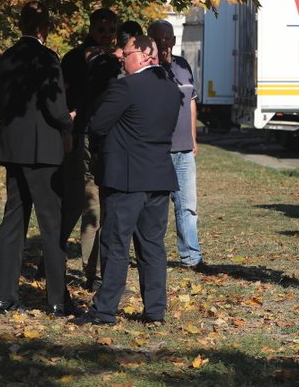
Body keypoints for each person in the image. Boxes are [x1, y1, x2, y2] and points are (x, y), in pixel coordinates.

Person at [72, 35, 181, 325]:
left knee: (115, 244)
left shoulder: (126, 87)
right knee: (152, 246)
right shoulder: (171, 89)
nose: (121, 57)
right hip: (158, 176)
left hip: (126, 179)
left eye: (127, 53)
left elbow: (97, 125)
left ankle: (104, 310)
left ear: (145, 54)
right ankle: (155, 310)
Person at [0, 0, 80, 316]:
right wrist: (69, 120)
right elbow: (55, 107)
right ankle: (56, 300)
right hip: (43, 152)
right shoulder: (47, 58)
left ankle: (2, 297)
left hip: (13, 148)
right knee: (51, 226)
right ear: (45, 28)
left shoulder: (7, 58)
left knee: (13, 220)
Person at [59, 7, 118, 291]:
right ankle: (90, 274)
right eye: (100, 29)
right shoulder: (74, 58)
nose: (105, 35)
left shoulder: (117, 61)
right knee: (88, 204)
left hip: (109, 140)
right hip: (83, 136)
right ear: (91, 28)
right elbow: (61, 92)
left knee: (105, 208)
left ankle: (99, 271)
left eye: (110, 30)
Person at [147, 19, 210, 274]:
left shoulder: (183, 66)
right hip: (158, 150)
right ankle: (152, 256)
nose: (164, 43)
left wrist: (194, 137)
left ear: (174, 40)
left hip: (184, 150)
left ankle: (191, 258)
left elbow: (192, 102)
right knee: (155, 209)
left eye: (167, 38)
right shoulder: (148, 69)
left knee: (187, 206)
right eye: (158, 39)